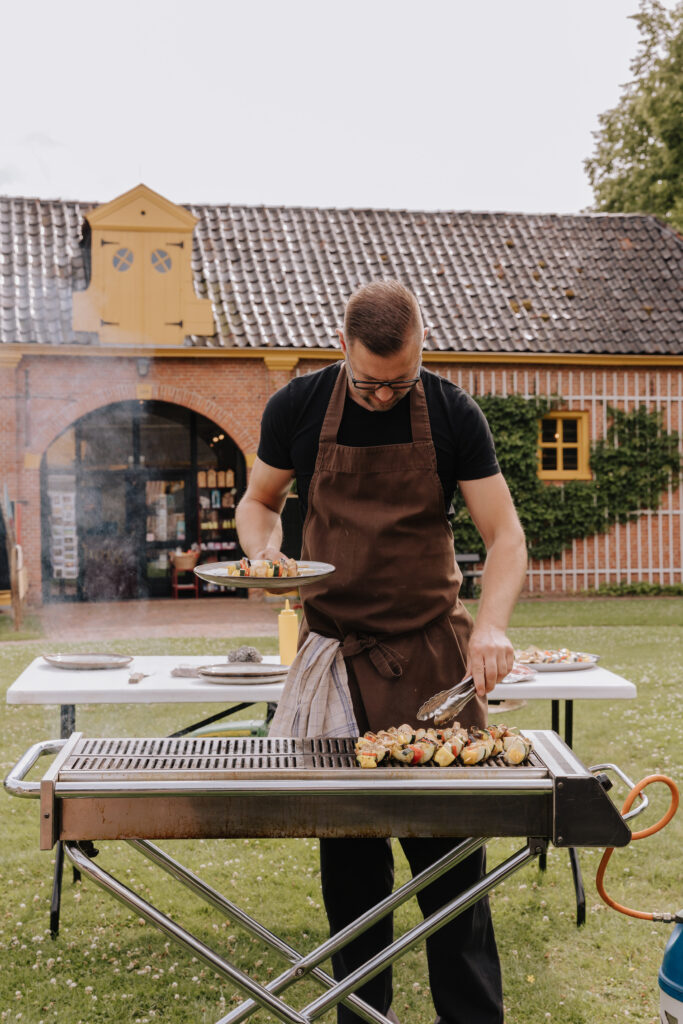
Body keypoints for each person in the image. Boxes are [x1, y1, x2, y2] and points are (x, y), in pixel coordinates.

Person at [236, 279, 528, 1024]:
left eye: (399, 381)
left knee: (453, 882)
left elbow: (504, 537)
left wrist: (490, 626)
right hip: (336, 662)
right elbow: (259, 502)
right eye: (368, 384)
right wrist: (264, 558)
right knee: (354, 882)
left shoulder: (452, 412)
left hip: (433, 662)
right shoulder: (297, 408)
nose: (383, 396)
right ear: (342, 349)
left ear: (420, 350)